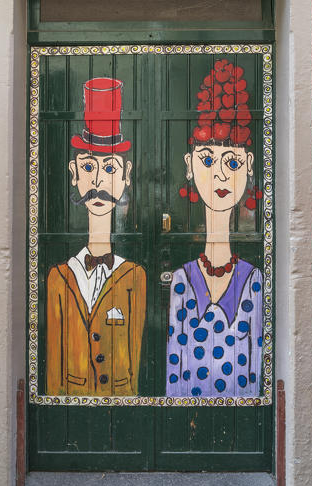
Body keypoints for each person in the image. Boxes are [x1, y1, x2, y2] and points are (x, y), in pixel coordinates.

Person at [166, 60, 263, 398]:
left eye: (232, 162)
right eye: (207, 159)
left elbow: (256, 365)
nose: (221, 175)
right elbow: (173, 372)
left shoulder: (254, 282)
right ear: (189, 165)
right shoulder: (181, 280)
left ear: (248, 167)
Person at [46, 77, 146, 397]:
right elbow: (53, 366)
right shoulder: (59, 278)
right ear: (74, 173)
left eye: (111, 168)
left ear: (127, 175)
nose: (99, 179)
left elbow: (136, 359)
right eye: (89, 167)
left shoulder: (135, 277)